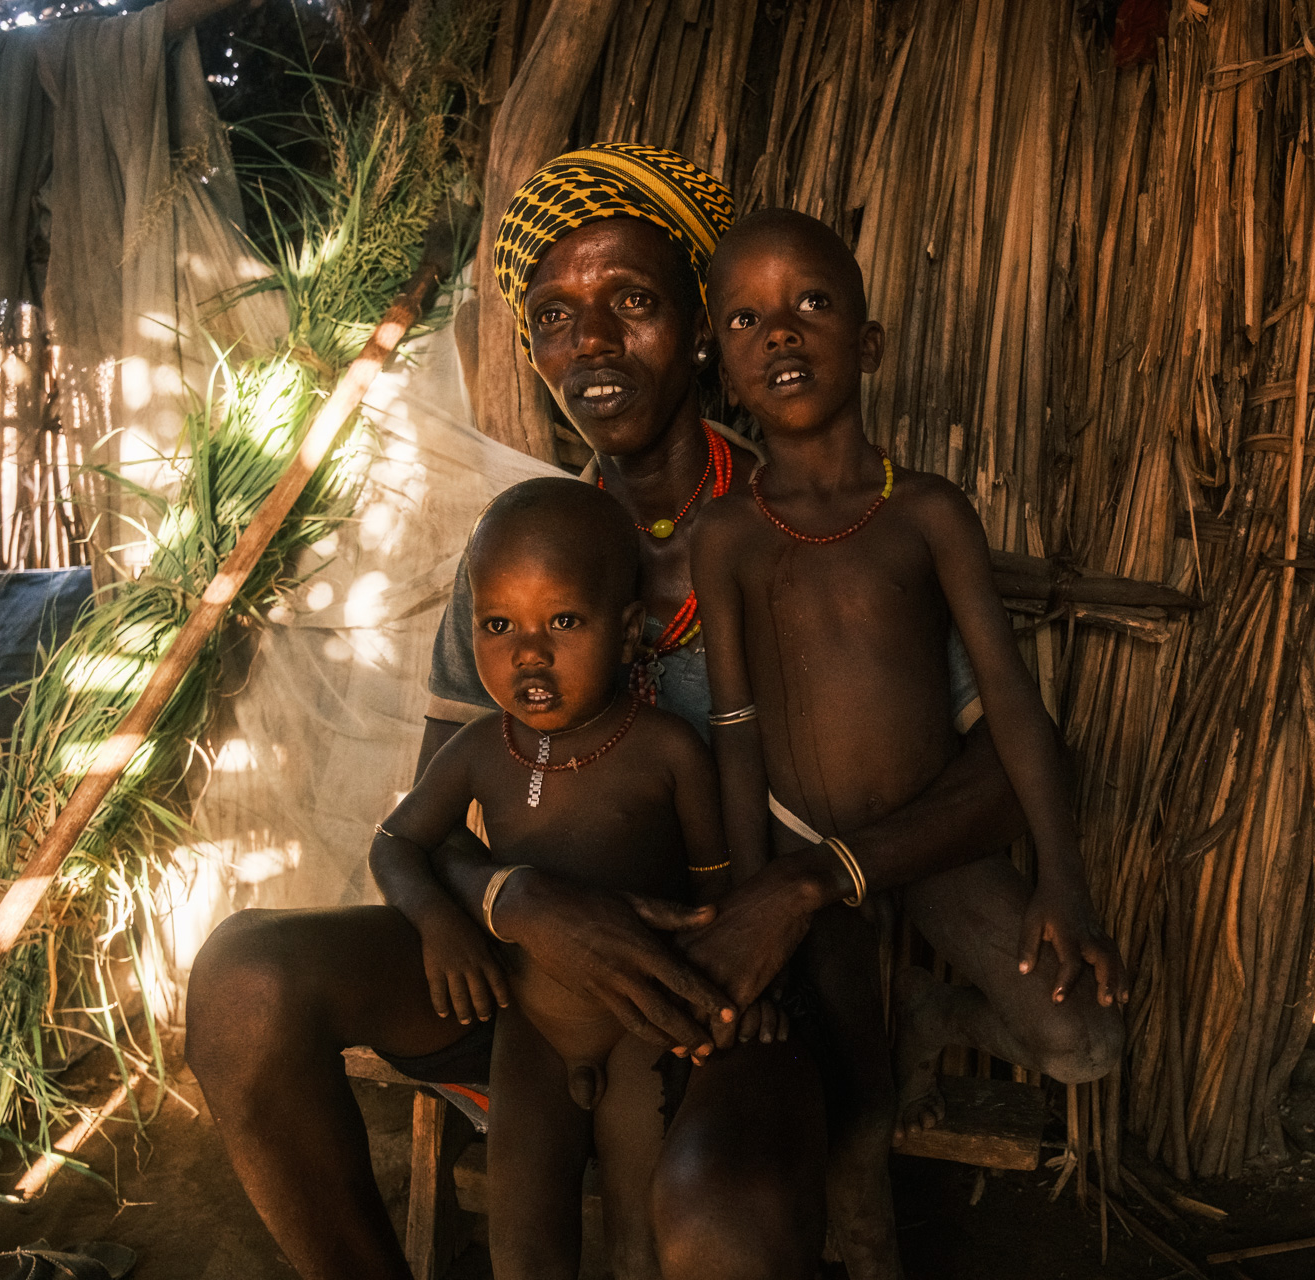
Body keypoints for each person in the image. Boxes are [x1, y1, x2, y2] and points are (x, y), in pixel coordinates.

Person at [186, 145, 1114, 1280]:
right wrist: (522, 898)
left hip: (733, 992)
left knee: (717, 1223)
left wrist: (816, 881)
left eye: (634, 303)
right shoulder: (523, 556)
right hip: (539, 980)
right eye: (557, 316)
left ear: (704, 334)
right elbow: (445, 814)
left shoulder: (807, 530)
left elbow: (996, 757)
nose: (593, 345)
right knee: (242, 983)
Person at [690, 207, 1128, 1271]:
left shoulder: (929, 511)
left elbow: (1014, 705)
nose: (781, 333)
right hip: (804, 846)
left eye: (813, 305)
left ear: (871, 343)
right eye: (747, 318)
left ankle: (935, 1018)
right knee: (858, 1111)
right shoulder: (729, 535)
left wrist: (1061, 881)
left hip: (933, 836)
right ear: (723, 370)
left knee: (1083, 1040)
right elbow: (737, 727)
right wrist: (760, 901)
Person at [373, 477, 787, 1279]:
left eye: (563, 620)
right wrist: (441, 922)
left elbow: (719, 898)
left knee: (641, 1247)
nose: (529, 651)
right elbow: (396, 842)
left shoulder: (669, 753)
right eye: (499, 625)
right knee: (523, 1252)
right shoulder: (480, 751)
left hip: (643, 1035)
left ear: (629, 631)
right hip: (528, 1040)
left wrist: (742, 998)